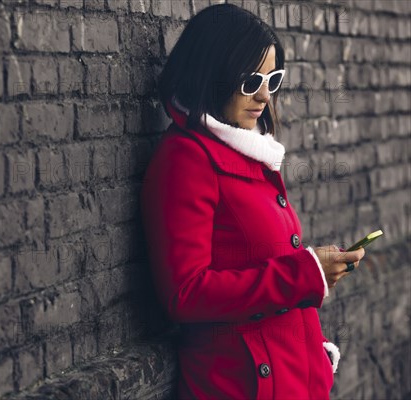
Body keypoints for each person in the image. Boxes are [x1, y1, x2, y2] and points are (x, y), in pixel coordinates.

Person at [139, 4, 366, 399]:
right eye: (249, 81)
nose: (264, 94)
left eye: (271, 78)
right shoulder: (187, 158)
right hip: (240, 386)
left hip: (294, 378)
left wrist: (317, 354)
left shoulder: (252, 154)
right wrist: (305, 274)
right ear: (212, 74)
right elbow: (186, 293)